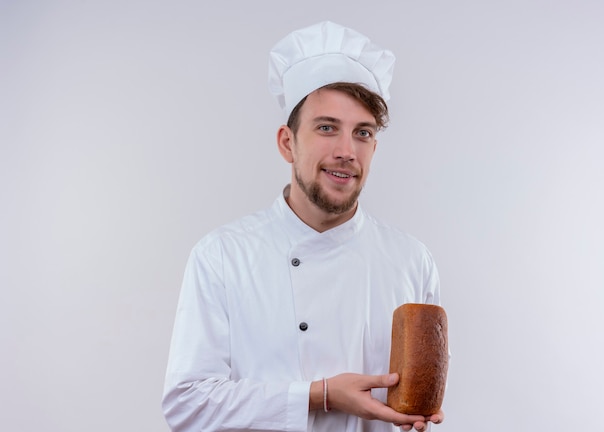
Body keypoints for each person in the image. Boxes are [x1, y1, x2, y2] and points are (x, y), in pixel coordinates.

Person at [162, 21, 446, 432]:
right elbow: (187, 405)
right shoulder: (223, 255)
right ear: (287, 142)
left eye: (362, 133)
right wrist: (320, 394)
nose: (347, 151)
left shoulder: (411, 260)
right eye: (327, 127)